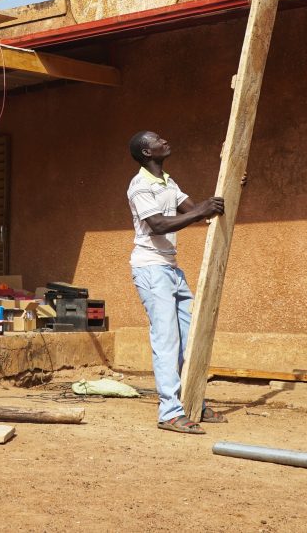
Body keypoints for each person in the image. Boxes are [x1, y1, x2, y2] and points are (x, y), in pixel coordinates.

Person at [126, 130, 228, 434]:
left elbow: (195, 211)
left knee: (191, 337)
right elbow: (157, 225)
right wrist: (203, 210)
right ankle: (170, 412)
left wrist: (229, 190)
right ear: (146, 153)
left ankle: (193, 401)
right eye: (156, 140)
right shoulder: (140, 185)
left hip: (172, 269)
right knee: (166, 340)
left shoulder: (168, 182)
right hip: (151, 269)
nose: (164, 141)